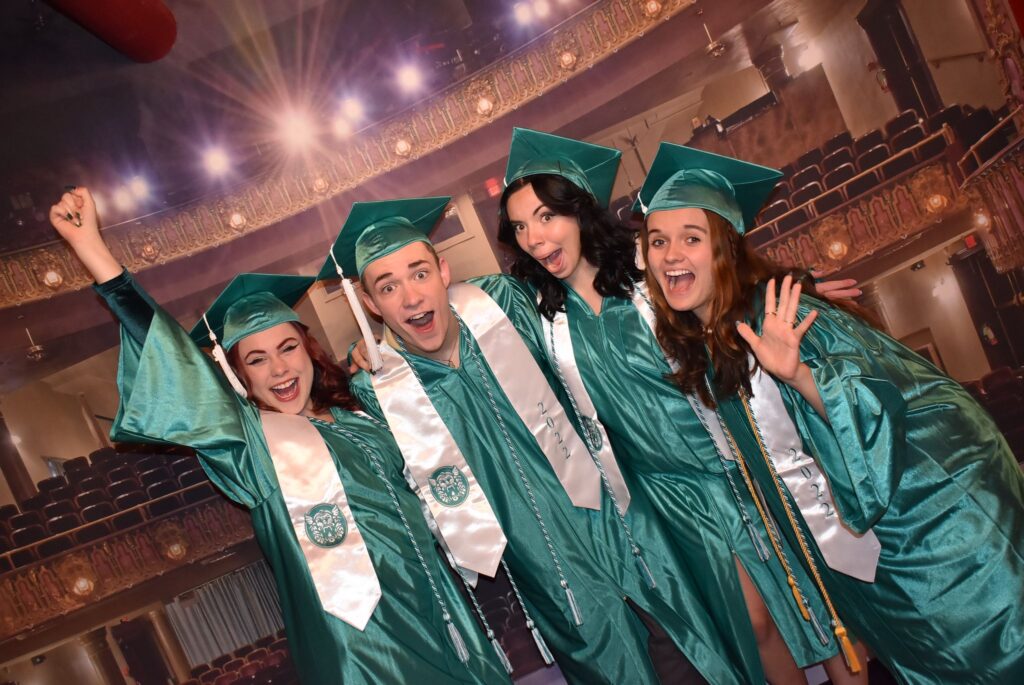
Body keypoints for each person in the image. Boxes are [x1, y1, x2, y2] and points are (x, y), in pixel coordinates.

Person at [49, 187, 511, 685]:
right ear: (240, 378)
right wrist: (93, 250)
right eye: (256, 359)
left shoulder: (362, 415)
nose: (279, 369)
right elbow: (177, 364)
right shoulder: (250, 447)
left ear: (308, 351)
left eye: (287, 348)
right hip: (364, 646)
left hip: (440, 610)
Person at [635, 142, 1024, 684]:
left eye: (691, 238)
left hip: (932, 533)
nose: (672, 254)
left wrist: (799, 374)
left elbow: (883, 401)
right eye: (658, 241)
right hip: (871, 560)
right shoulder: (714, 343)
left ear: (724, 249)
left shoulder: (785, 314)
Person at [320, 197, 750, 685]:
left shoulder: (503, 305)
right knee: (611, 669)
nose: (411, 298)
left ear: (443, 271)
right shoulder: (377, 390)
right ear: (370, 305)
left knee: (696, 648)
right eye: (388, 287)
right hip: (545, 566)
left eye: (419, 274)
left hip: (618, 514)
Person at [495, 128, 865, 685]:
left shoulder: (648, 269)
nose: (535, 238)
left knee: (813, 592)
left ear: (580, 211)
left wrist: (794, 287)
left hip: (739, 453)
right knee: (755, 622)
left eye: (546, 216)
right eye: (521, 227)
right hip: (672, 492)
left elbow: (726, 284)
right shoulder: (542, 316)